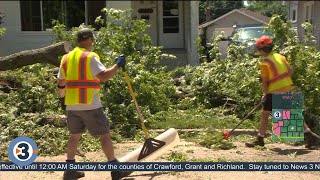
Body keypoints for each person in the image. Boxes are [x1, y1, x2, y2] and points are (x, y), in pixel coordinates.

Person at [57, 28, 126, 180]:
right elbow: (104, 76)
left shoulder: (66, 58)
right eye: (92, 39)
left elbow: (61, 81)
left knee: (74, 136)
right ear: (88, 39)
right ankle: (115, 170)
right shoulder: (90, 57)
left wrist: (62, 100)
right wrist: (117, 65)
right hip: (90, 104)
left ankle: (69, 171)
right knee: (104, 135)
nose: (92, 42)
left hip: (72, 105)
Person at [245, 35, 320, 148]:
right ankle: (311, 136)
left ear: (262, 50)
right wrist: (282, 82)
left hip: (274, 92)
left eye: (259, 50)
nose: (259, 52)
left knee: (265, 114)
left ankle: (260, 139)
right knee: (292, 113)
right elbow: (290, 71)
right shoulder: (280, 57)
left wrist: (265, 94)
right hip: (287, 88)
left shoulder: (265, 62)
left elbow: (265, 81)